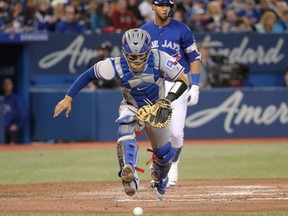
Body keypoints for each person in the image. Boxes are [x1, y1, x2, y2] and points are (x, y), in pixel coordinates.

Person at [53, 28, 190, 199]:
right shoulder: (114, 64)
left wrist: (167, 101)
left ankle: (159, 177)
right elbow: (89, 75)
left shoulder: (161, 58)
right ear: (124, 52)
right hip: (131, 106)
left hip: (157, 108)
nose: (137, 61)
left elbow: (183, 79)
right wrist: (68, 97)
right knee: (125, 128)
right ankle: (129, 173)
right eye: (132, 57)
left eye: (141, 56)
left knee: (164, 154)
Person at [141, 0, 201, 187]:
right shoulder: (144, 31)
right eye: (160, 5)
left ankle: (173, 164)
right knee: (157, 131)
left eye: (168, 5)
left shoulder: (181, 29)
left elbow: (194, 57)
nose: (165, 8)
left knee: (175, 132)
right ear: (153, 6)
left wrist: (196, 85)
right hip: (153, 85)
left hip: (177, 83)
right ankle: (161, 170)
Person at [1, 78, 27, 144]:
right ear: (3, 85)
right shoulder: (1, 98)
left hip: (11, 129)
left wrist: (17, 125)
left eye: (9, 84)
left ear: (12, 85)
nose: (7, 86)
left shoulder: (15, 98)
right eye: (5, 84)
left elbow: (23, 114)